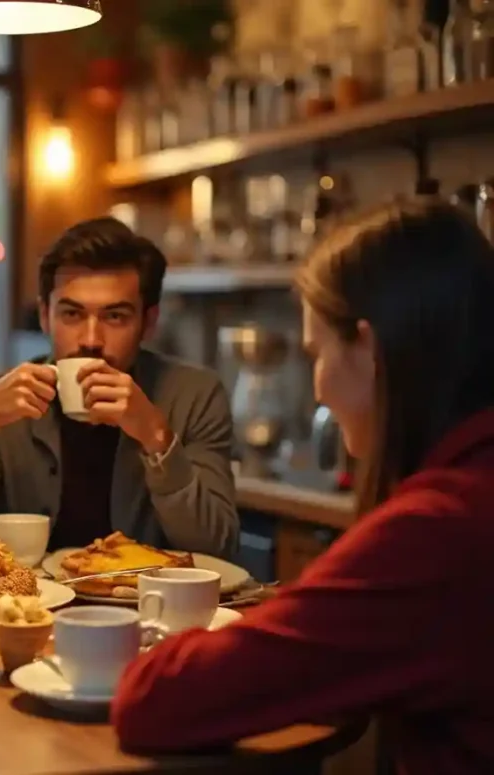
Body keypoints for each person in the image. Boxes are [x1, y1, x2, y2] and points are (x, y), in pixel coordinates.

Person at [111, 200, 494, 774]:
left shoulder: (438, 531)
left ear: (368, 349)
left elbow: (155, 700)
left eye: (316, 353)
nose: (317, 390)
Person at [0, 217, 238, 558]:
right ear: (44, 316)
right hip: (26, 608)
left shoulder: (195, 395)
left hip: (148, 605)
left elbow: (218, 548)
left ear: (149, 323)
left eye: (115, 317)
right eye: (72, 314)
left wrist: (157, 437)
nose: (91, 340)